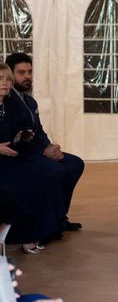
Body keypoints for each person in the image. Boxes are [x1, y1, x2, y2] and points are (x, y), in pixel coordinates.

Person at [5, 53, 84, 232]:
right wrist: (43, 152)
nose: (27, 76)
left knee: (74, 164)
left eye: (30, 72)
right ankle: (49, 225)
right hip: (23, 155)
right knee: (55, 171)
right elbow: (18, 137)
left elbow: (38, 130)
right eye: (21, 72)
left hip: (39, 150)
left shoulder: (29, 100)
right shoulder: (8, 102)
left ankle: (60, 217)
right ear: (11, 75)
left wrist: (50, 147)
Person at [0, 64, 66, 254]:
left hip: (12, 158)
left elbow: (25, 130)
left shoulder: (9, 106)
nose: (4, 83)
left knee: (43, 176)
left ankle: (46, 230)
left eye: (7, 80)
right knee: (25, 183)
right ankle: (24, 237)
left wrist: (22, 138)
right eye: (0, 79)